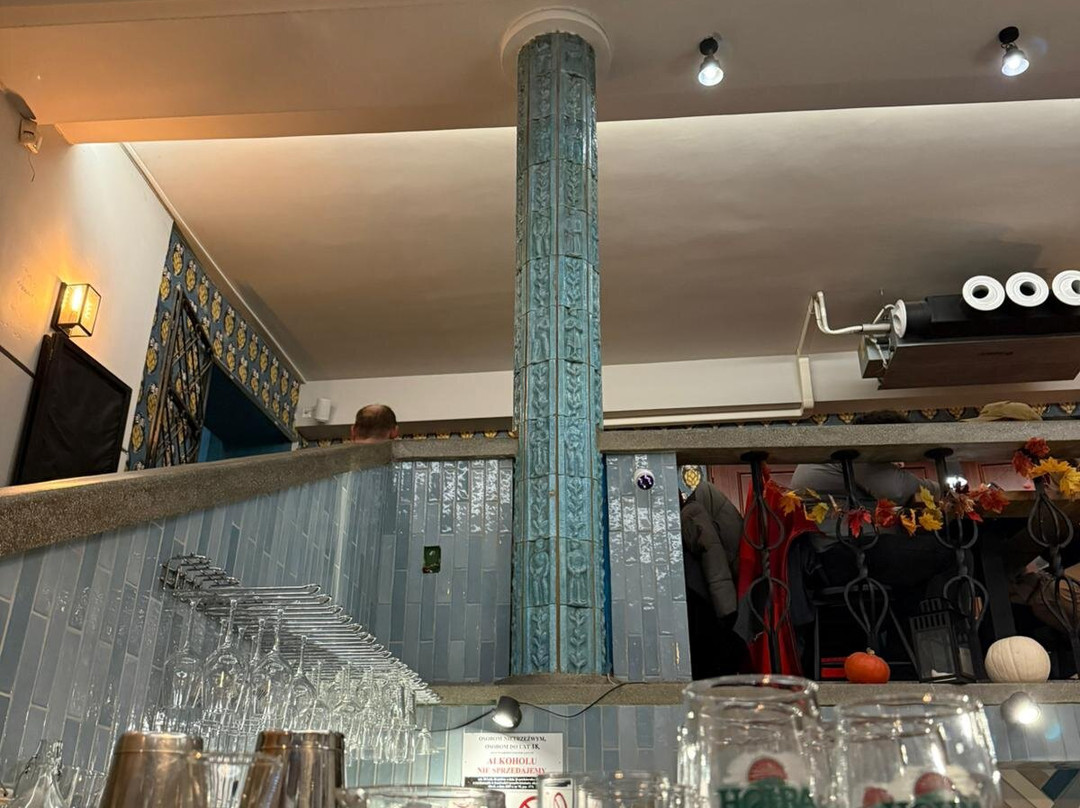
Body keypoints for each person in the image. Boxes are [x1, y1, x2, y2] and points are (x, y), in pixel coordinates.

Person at [790, 410, 951, 593]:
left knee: (926, 553)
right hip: (842, 553)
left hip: (828, 555)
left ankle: (913, 609)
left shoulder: (832, 450)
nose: (901, 461)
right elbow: (896, 489)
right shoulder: (851, 450)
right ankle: (939, 608)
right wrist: (939, 489)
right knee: (949, 549)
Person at [680, 480, 745, 677]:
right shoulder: (705, 500)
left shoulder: (691, 513)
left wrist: (727, 612)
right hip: (742, 573)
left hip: (716, 599)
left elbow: (714, 559)